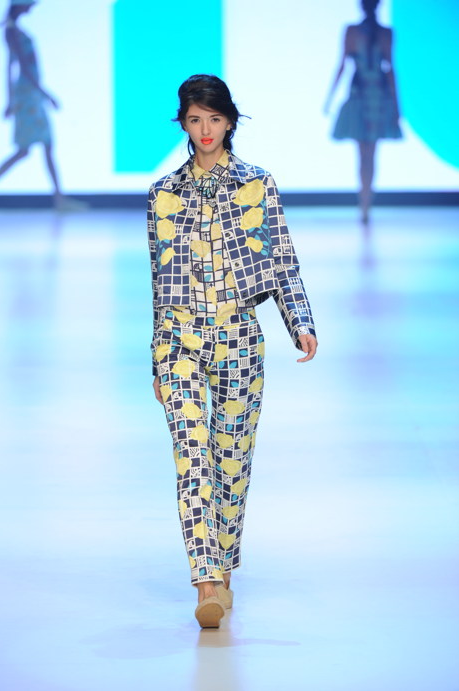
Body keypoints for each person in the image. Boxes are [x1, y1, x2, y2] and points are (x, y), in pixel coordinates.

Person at [147, 74, 317, 628]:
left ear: (230, 122)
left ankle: (222, 570)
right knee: (192, 459)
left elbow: (282, 260)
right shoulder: (162, 194)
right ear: (183, 122)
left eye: (214, 119)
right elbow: (159, 281)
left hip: (239, 335)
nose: (205, 130)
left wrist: (300, 322)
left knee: (231, 461)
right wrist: (157, 357)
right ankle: (206, 582)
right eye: (195, 119)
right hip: (180, 340)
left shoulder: (257, 184)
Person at [324, 0, 402, 223]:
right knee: (368, 154)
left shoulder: (380, 32)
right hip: (365, 95)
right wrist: (330, 97)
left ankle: (365, 204)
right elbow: (344, 65)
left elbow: (389, 68)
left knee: (366, 154)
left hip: (371, 96)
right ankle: (365, 204)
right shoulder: (361, 31)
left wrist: (397, 105)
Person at [0, 1, 82, 210]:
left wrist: (13, 98)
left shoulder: (13, 29)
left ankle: (60, 199)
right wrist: (45, 94)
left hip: (29, 94)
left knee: (42, 146)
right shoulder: (11, 30)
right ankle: (59, 200)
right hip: (28, 95)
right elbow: (21, 67)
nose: (31, 7)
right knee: (27, 149)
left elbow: (12, 67)